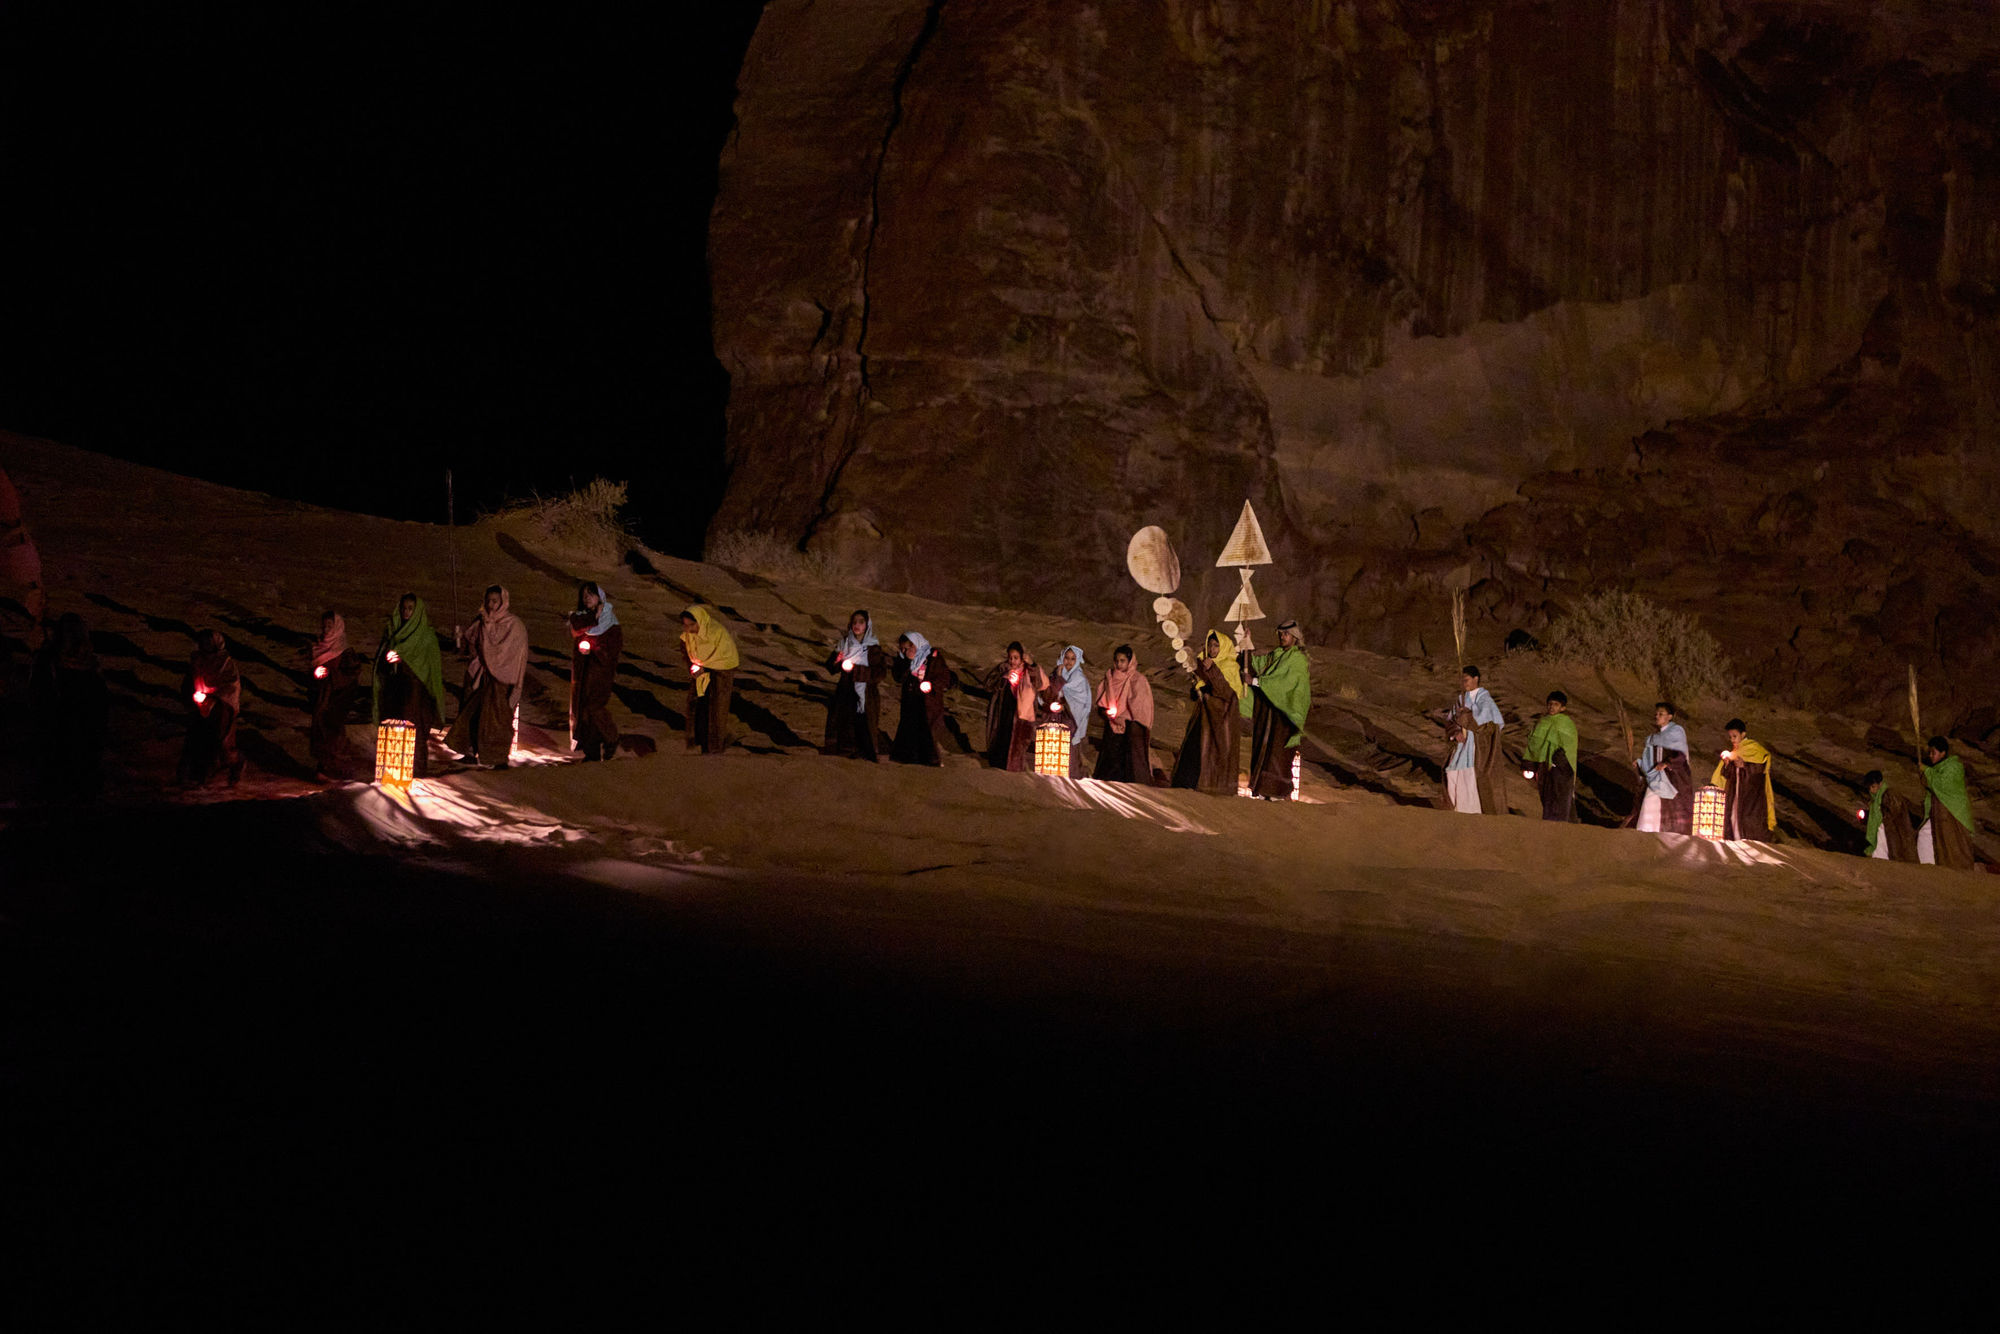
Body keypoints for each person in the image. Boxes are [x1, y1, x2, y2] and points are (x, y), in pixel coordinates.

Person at [447, 584, 528, 769]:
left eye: (495, 601)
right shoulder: (482, 621)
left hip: (502, 679)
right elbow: (471, 644)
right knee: (472, 713)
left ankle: (497, 756)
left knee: (497, 718)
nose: (491, 605)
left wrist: (496, 662)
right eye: (489, 601)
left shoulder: (513, 625)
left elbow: (511, 652)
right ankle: (469, 750)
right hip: (481, 675)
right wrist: (461, 638)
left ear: (503, 602)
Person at [29, 611, 107, 801]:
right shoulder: (89, 669)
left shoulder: (52, 665)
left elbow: (38, 698)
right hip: (80, 738)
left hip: (62, 736)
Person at [373, 594, 446, 778]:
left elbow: (432, 669)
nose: (406, 612)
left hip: (416, 692)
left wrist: (403, 661)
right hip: (395, 690)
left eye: (410, 608)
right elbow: (381, 660)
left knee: (414, 730)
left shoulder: (426, 636)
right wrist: (389, 660)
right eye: (404, 608)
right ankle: (394, 768)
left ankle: (416, 771)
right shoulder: (393, 631)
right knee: (394, 727)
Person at [1243, 618, 1310, 800]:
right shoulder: (1277, 654)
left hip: (1285, 715)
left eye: (1286, 634)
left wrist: (1256, 682)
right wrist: (1246, 644)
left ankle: (1278, 792)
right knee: (1266, 750)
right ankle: (1265, 790)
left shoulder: (1297, 660)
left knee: (1278, 754)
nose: (1282, 637)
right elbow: (1258, 664)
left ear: (1294, 637)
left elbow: (1284, 684)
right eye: (1280, 634)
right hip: (1271, 713)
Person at [1170, 629, 1242, 796]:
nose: (1212, 649)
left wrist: (1213, 673)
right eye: (1210, 645)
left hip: (1219, 722)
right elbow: (1200, 686)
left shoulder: (1230, 667)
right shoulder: (1204, 663)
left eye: (1216, 645)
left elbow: (1227, 693)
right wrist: (1198, 690)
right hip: (1203, 718)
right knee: (1193, 750)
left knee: (1214, 755)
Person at [179, 628, 243, 787]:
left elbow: (231, 685)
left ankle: (235, 764)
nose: (205, 645)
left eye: (208, 642)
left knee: (220, 740)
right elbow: (189, 680)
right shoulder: (197, 660)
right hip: (200, 705)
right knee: (197, 739)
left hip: (220, 707)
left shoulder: (225, 662)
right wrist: (192, 695)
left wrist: (215, 698)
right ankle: (196, 775)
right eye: (203, 642)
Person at [567, 581, 623, 761]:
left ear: (600, 597)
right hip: (583, 672)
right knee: (583, 711)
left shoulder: (610, 622)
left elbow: (613, 648)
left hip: (600, 671)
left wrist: (595, 650)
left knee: (595, 706)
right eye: (584, 595)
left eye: (590, 594)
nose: (586, 598)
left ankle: (611, 737)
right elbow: (576, 627)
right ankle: (591, 751)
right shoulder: (583, 618)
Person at [305, 610, 363, 778]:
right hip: (323, 697)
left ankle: (335, 768)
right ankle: (324, 766)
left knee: (333, 731)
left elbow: (351, 674)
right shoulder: (319, 648)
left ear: (337, 627)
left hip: (338, 698)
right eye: (324, 626)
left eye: (330, 626)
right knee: (321, 729)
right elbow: (311, 674)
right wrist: (316, 676)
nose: (326, 630)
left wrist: (331, 676)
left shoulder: (344, 652)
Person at [825, 609, 888, 761]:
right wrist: (839, 662)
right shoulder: (844, 644)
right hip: (846, 689)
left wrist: (859, 672)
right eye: (854, 622)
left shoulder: (873, 648)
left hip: (867, 691)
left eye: (861, 622)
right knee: (846, 721)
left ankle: (865, 752)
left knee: (866, 722)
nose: (857, 625)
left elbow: (880, 673)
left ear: (867, 625)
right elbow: (830, 667)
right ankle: (845, 751)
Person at [1092, 644, 1156, 784]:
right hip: (1112, 724)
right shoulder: (1110, 678)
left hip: (1132, 727)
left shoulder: (1138, 680)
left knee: (1132, 761)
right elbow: (1101, 702)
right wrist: (1106, 713)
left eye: (1123, 661)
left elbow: (1141, 707)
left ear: (1130, 662)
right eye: (1117, 661)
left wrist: (1125, 718)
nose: (1119, 664)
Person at [679, 605, 740, 754]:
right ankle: (700, 741)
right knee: (699, 704)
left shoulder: (716, 633)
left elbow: (722, 656)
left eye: (692, 625)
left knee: (717, 707)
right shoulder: (689, 635)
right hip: (702, 670)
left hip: (721, 671)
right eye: (686, 625)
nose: (689, 629)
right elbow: (686, 648)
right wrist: (694, 667)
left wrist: (703, 667)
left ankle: (715, 746)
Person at [889, 631, 955, 766]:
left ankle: (931, 761)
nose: (905, 651)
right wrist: (906, 664)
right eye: (902, 649)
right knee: (910, 730)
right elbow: (898, 676)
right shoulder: (904, 660)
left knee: (929, 732)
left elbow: (945, 678)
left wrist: (931, 684)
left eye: (908, 648)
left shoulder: (933, 657)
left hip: (930, 702)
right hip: (911, 701)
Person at [984, 642, 1046, 772]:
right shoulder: (1003, 668)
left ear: (1022, 657)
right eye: (1010, 657)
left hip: (1021, 715)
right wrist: (1003, 678)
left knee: (1017, 746)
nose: (1012, 661)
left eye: (1016, 657)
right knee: (1001, 739)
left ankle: (1013, 769)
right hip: (1003, 712)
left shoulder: (1029, 670)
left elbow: (1040, 684)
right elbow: (989, 685)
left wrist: (1033, 665)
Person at [1710, 718, 1776, 842]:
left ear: (1743, 734)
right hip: (1735, 794)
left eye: (1735, 736)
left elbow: (1760, 770)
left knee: (1748, 820)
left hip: (1750, 796)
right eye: (1730, 737)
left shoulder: (1754, 748)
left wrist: (1745, 766)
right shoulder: (1735, 751)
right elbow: (1728, 775)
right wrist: (1727, 764)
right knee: (1732, 818)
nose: (1732, 740)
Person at [1632, 702, 1694, 834]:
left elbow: (1681, 755)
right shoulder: (1653, 738)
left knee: (1672, 807)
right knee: (1650, 802)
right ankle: (1646, 832)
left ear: (1670, 716)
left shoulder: (1677, 732)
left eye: (1661, 714)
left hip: (1672, 777)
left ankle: (1669, 835)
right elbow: (1650, 757)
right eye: (1656, 714)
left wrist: (1667, 763)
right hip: (1656, 775)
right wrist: (1640, 763)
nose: (1657, 716)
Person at [1457, 666, 1509, 816]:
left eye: (1466, 679)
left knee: (1486, 779)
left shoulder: (1486, 700)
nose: (1463, 683)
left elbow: (1486, 725)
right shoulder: (1462, 699)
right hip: (1466, 747)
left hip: (1484, 747)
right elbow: (1453, 720)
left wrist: (1468, 719)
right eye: (1462, 680)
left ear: (1476, 679)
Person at [1919, 737, 1976, 870]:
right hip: (1941, 811)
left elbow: (1943, 784)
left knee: (1953, 841)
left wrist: (1927, 771)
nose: (1931, 756)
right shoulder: (1938, 769)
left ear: (1943, 753)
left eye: (1934, 752)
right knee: (1927, 835)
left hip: (1953, 811)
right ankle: (1929, 867)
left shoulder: (1954, 766)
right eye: (1930, 753)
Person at [1522, 690, 1578, 822]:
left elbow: (1570, 746)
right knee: (1546, 797)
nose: (1552, 707)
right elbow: (1533, 744)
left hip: (1561, 767)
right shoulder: (1542, 722)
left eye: (1556, 704)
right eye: (1550, 704)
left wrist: (1560, 760)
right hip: (1543, 766)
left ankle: (1563, 826)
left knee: (1560, 796)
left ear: (1563, 708)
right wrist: (1530, 764)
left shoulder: (1566, 724)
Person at [1040, 644, 1092, 778]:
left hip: (1070, 720)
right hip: (1053, 718)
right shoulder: (1055, 674)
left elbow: (1081, 702)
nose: (1068, 662)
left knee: (1068, 752)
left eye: (1072, 659)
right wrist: (1058, 677)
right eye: (1066, 658)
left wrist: (1065, 706)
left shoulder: (1079, 680)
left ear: (1077, 660)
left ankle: (1070, 779)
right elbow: (1048, 694)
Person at [1858, 769, 1919, 863]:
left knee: (1888, 856)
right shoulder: (1875, 800)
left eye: (1873, 786)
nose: (1871, 790)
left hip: (1890, 832)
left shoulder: (1889, 794)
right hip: (1883, 831)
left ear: (1880, 784)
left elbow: (1896, 813)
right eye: (1869, 788)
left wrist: (1886, 820)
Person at [1443, 707, 1480, 813]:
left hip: (1476, 750)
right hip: (1461, 748)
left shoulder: (1485, 702)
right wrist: (1455, 733)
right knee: (1452, 775)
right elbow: (1450, 720)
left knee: (1470, 780)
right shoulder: (1460, 701)